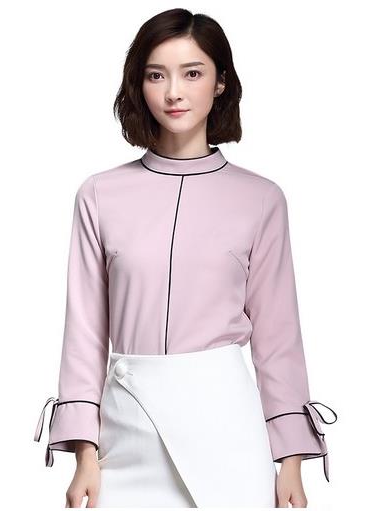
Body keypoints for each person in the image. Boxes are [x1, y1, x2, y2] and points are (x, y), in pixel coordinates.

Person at [33, 7, 337, 508]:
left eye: (192, 73)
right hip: (125, 431)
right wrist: (85, 451)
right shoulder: (99, 195)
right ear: (139, 85)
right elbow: (84, 332)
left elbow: (278, 336)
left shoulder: (261, 199)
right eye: (157, 75)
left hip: (228, 431)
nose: (174, 92)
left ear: (220, 82)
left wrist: (291, 461)